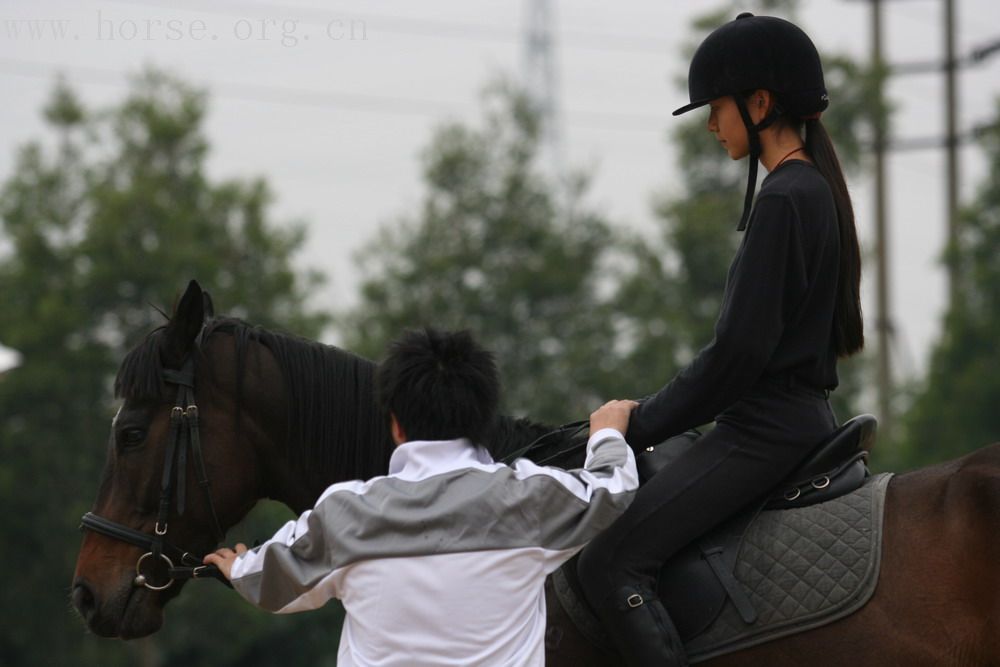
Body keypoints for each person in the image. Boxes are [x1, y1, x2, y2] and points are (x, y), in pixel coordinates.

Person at [576, 13, 865, 667]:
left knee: (608, 563)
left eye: (717, 108)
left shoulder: (785, 199)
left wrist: (636, 421)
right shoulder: (812, 189)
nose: (711, 124)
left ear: (759, 104)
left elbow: (736, 356)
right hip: (797, 417)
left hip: (763, 429)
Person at [205, 327, 639, 666]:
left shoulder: (344, 514)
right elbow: (612, 488)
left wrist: (239, 567)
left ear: (395, 424)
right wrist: (605, 434)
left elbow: (272, 582)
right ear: (482, 417)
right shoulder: (527, 498)